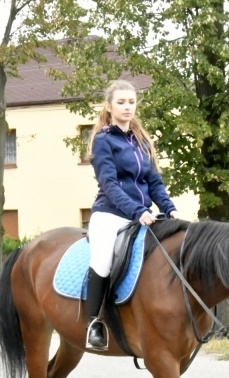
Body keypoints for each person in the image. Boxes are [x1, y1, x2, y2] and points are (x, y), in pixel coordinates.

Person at [85, 80, 179, 351]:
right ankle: (94, 323)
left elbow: (154, 182)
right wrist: (138, 211)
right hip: (110, 214)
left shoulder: (141, 142)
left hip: (142, 215)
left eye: (131, 102)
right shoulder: (103, 140)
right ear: (109, 107)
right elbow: (109, 184)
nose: (127, 107)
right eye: (121, 102)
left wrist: (169, 208)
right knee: (103, 261)